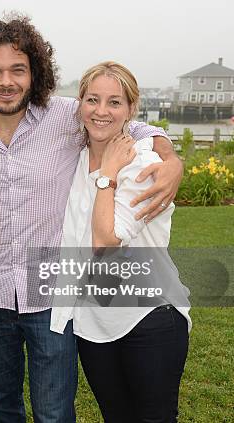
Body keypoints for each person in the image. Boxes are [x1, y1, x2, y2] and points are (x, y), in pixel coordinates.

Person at [0, 14, 184, 423]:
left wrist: (170, 156)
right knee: (0, 405)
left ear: (34, 72)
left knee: (54, 412)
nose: (6, 81)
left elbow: (122, 119)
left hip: (53, 296)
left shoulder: (64, 116)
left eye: (18, 69)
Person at [50, 61, 191, 422]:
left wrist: (108, 175)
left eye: (114, 102)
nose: (101, 111)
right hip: (94, 323)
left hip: (149, 318)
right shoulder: (75, 159)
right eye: (92, 99)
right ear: (79, 103)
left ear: (131, 108)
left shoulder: (145, 164)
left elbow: (105, 242)